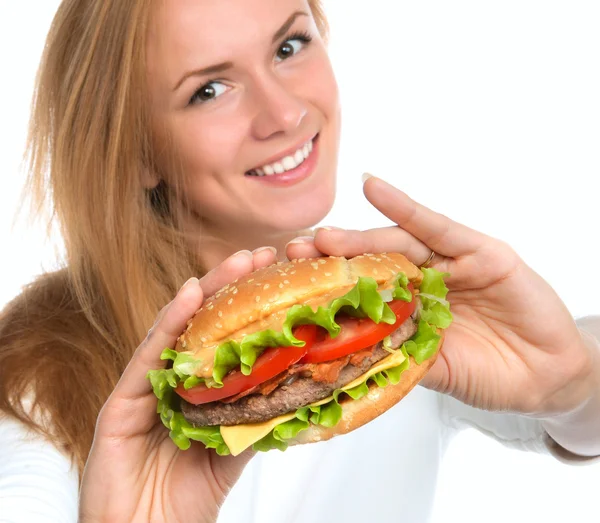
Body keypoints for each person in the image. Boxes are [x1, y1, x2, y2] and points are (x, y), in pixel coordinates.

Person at [0, 0, 598, 522]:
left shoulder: (389, 305)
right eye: (208, 90)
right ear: (134, 153)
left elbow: (577, 424)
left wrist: (570, 378)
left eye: (289, 45)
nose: (285, 114)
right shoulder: (35, 388)